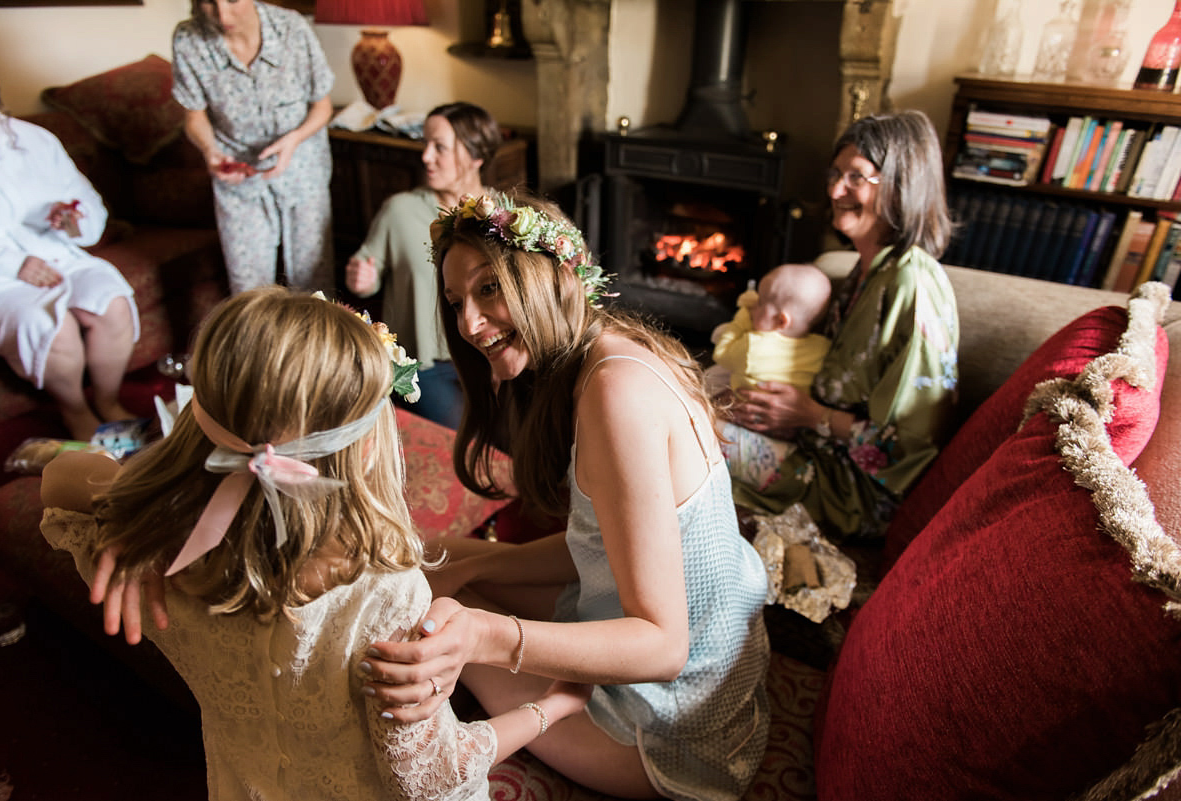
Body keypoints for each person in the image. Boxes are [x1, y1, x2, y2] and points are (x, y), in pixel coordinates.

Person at [40, 286, 590, 800]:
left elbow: (61, 477)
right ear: (368, 449)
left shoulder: (148, 551)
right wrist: (551, 708)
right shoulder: (384, 595)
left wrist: (136, 517)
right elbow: (426, 777)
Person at [357, 190, 771, 801]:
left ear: (550, 275)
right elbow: (602, 544)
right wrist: (467, 557)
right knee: (436, 564)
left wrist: (482, 633)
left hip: (672, 738)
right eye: (456, 302)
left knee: (407, 611)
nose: (469, 324)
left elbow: (662, 645)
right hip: (716, 690)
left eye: (489, 288)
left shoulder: (614, 396)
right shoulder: (619, 350)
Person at [721, 109, 959, 543]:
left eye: (856, 177)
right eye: (835, 174)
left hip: (851, 489)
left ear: (901, 185)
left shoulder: (914, 285)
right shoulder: (861, 272)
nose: (834, 190)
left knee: (682, 429)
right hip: (810, 446)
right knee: (690, 404)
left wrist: (811, 415)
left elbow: (910, 447)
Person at [0, 46, 139, 442]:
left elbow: (89, 206)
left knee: (113, 302)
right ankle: (76, 412)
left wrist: (72, 221)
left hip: (58, 255)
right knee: (55, 328)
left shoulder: (35, 140)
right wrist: (14, 264)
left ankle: (107, 399)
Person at [344, 102, 503, 429]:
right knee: (465, 435)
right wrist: (361, 281)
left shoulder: (507, 215)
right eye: (425, 144)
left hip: (492, 354)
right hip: (423, 367)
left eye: (439, 147)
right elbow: (365, 274)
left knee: (517, 433)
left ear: (475, 156)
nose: (425, 156)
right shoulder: (399, 211)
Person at [172, 0, 335, 294]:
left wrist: (294, 139)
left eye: (233, 0)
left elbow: (322, 107)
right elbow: (194, 116)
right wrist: (210, 150)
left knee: (313, 283)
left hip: (301, 166)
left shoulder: (291, 28)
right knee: (248, 292)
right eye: (209, 2)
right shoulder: (188, 39)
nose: (222, 14)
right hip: (237, 176)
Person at [709, 262, 833, 394]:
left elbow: (721, 354)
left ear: (781, 321)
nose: (754, 304)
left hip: (746, 409)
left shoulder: (752, 347)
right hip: (794, 412)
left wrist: (742, 316)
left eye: (760, 302)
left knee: (710, 379)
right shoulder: (823, 348)